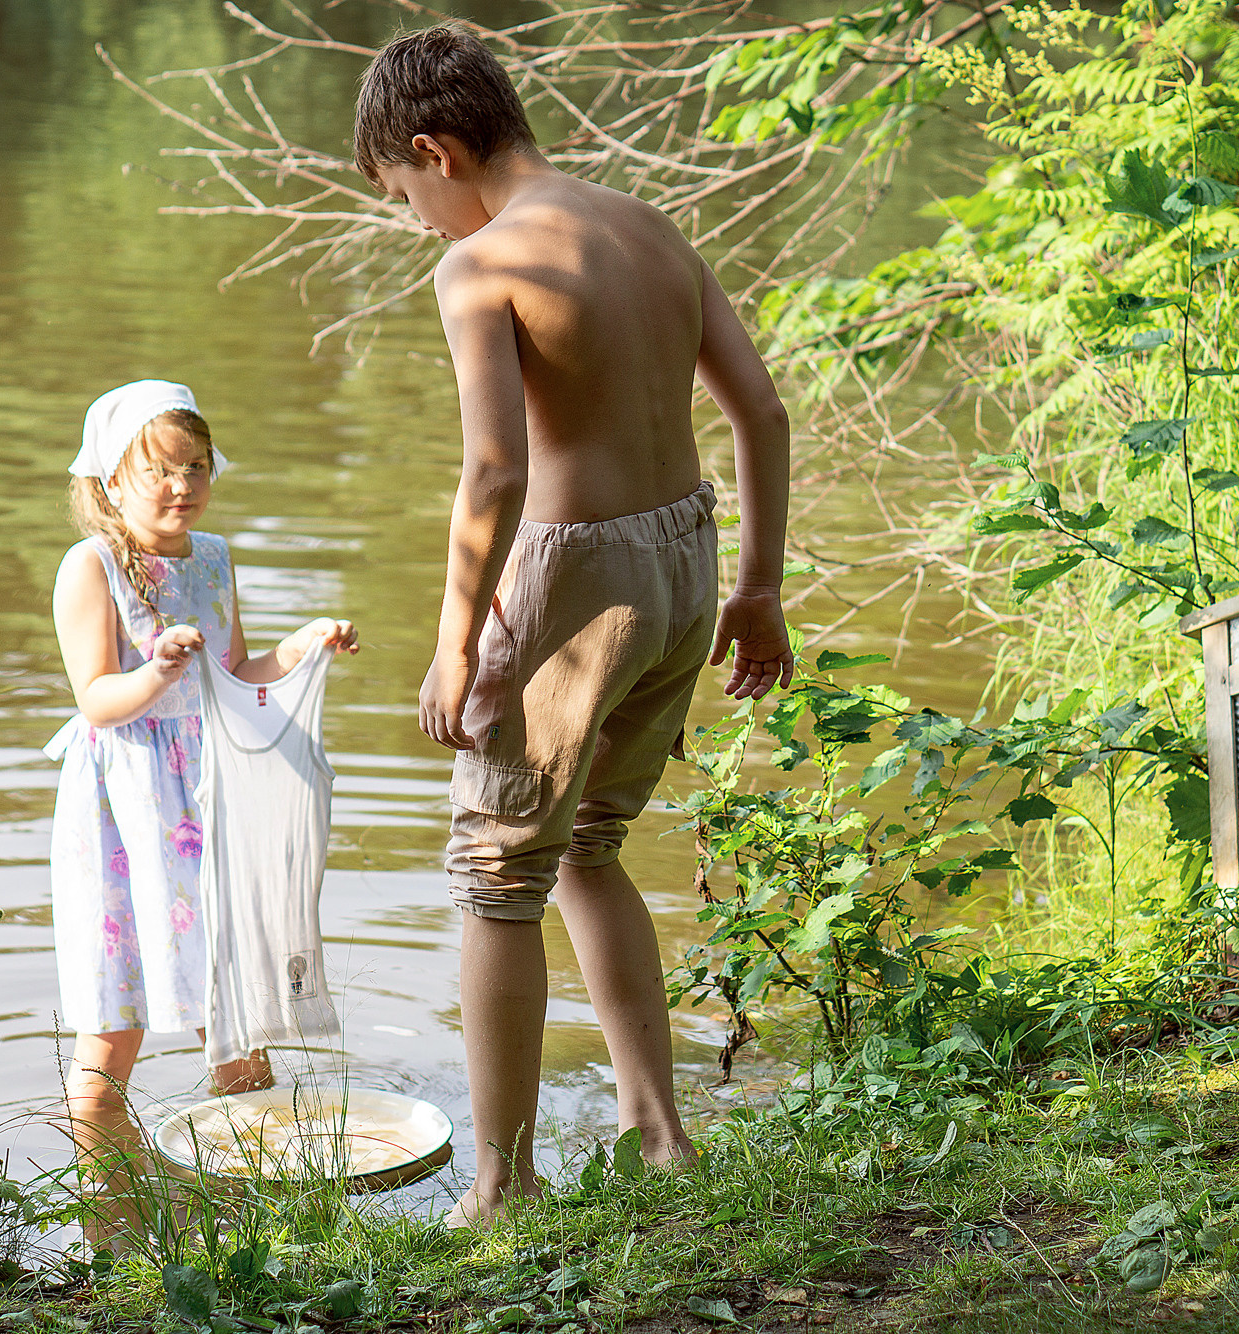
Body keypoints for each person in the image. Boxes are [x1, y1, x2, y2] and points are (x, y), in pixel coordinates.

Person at [353, 24, 794, 1226]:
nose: (417, 223)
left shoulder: (483, 263)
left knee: (498, 873)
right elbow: (757, 409)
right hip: (683, 560)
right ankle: (659, 1134)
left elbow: (494, 471)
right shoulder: (647, 225)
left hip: (572, 581)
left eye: (404, 194)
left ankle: (499, 1185)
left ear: (435, 150)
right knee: (590, 844)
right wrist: (756, 585)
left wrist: (454, 641)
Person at [46, 379, 359, 1247]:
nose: (181, 486)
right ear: (111, 480)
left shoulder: (215, 558)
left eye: (196, 466)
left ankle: (251, 1208)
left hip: (209, 801)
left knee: (235, 995)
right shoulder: (93, 566)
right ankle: (114, 1222)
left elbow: (239, 671)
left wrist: (300, 648)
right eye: (160, 471)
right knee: (119, 1012)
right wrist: (156, 670)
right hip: (126, 807)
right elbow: (98, 699)